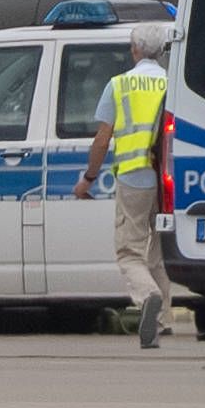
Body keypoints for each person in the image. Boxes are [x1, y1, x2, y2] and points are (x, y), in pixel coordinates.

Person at [74, 22, 174, 348]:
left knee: (129, 252)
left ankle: (149, 298)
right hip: (167, 180)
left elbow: (102, 140)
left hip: (133, 177)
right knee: (159, 252)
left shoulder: (119, 85)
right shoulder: (173, 84)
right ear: (160, 51)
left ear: (135, 50)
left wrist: (88, 178)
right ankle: (163, 321)